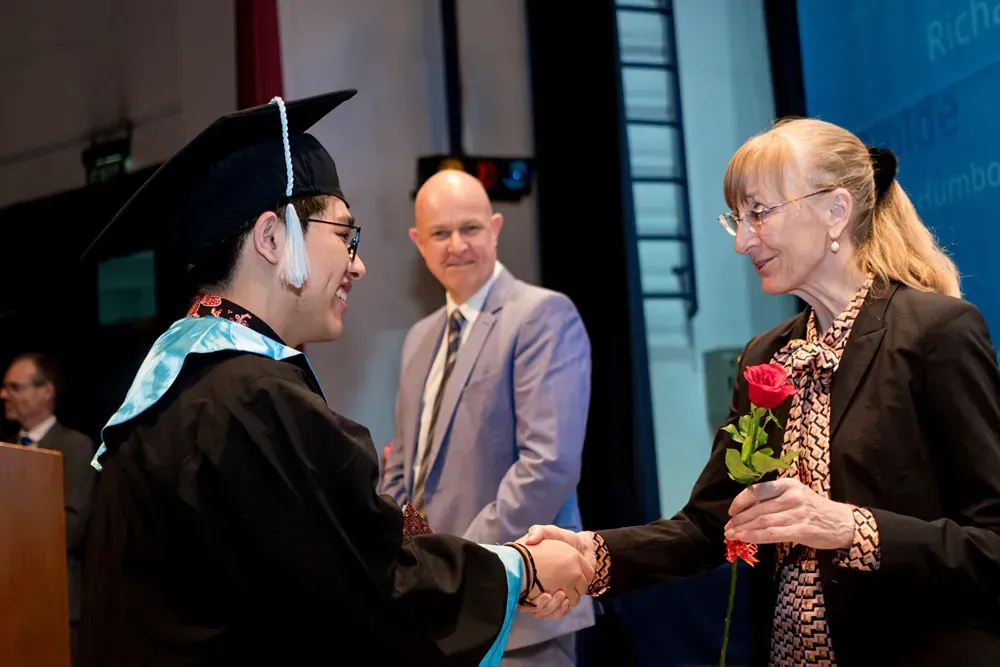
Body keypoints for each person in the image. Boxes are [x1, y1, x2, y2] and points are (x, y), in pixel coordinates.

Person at [77, 91, 593, 667]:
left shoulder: (169, 391)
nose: (358, 263)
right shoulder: (255, 400)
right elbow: (366, 592)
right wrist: (518, 568)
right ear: (273, 239)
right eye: (344, 235)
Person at [523, 118, 1000, 666]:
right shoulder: (765, 357)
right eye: (737, 219)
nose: (743, 241)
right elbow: (709, 526)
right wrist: (589, 556)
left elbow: (991, 544)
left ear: (835, 212)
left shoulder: (936, 332)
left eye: (760, 213)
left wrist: (848, 527)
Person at [383, 169, 595, 666]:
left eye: (471, 228)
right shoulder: (418, 338)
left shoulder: (543, 315)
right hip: (432, 611)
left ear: (496, 227)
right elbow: (403, 469)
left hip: (524, 608)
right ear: (418, 242)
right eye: (440, 233)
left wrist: (456, 561)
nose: (456, 245)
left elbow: (549, 465)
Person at [1, 352, 95, 665]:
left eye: (15, 387)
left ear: (46, 391)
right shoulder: (5, 451)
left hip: (57, 606)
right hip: (10, 606)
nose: (4, 395)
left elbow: (72, 527)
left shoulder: (75, 447)